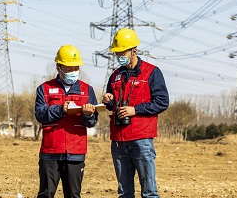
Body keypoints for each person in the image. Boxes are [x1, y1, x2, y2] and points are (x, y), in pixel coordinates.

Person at [102, 28, 169, 198]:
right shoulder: (115, 76)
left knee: (149, 192)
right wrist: (109, 102)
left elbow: (162, 102)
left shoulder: (152, 72)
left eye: (122, 52)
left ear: (134, 51)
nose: (119, 56)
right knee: (124, 192)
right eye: (116, 53)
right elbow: (113, 105)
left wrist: (135, 110)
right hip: (118, 140)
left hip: (141, 139)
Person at [35, 45, 98, 198]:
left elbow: (92, 122)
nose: (73, 72)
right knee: (45, 194)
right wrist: (60, 109)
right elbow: (40, 114)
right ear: (58, 67)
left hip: (76, 153)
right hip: (50, 153)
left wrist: (89, 115)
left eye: (76, 68)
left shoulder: (87, 90)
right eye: (68, 68)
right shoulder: (44, 89)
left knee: (73, 195)